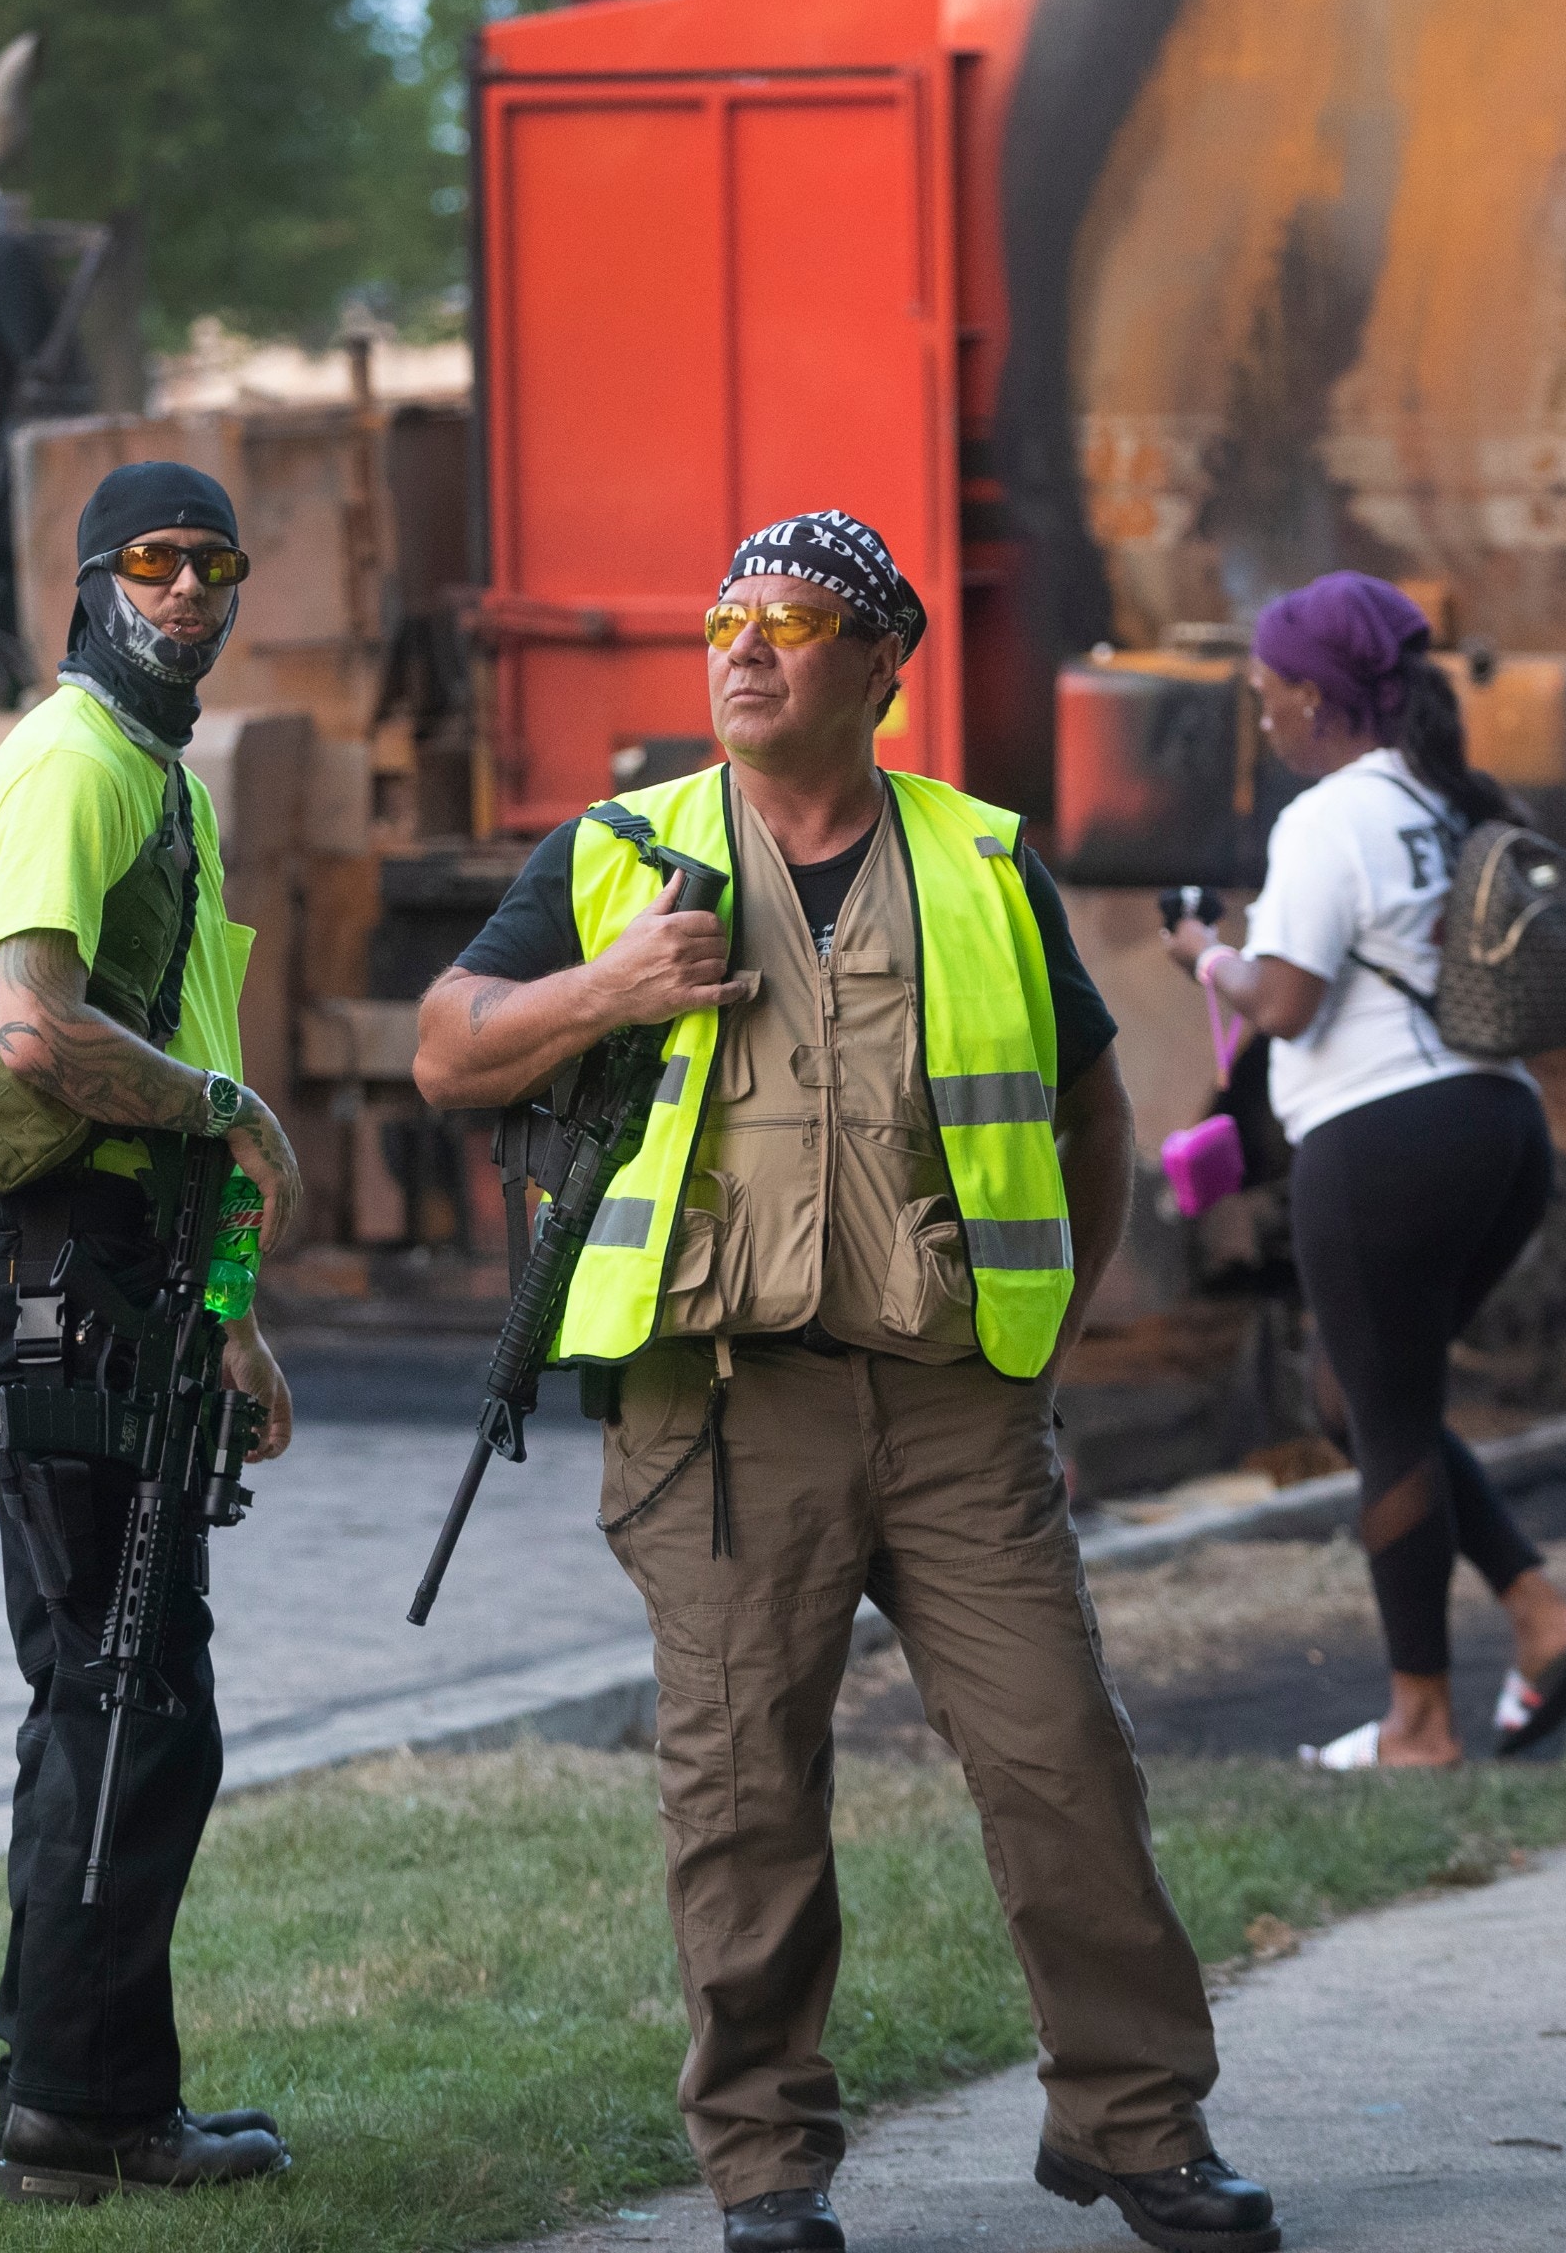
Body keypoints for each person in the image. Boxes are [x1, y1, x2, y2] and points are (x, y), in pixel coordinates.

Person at [417, 511, 1278, 2253]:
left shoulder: (980, 863)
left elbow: (1088, 1111)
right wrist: (608, 985)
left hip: (956, 1411)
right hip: (721, 1413)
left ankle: (1135, 2128)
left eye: (791, 616)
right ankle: (767, 2167)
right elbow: (446, 1050)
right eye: (723, 611)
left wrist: (1042, 1326)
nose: (742, 644)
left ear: (883, 661)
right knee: (743, 1799)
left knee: (1064, 1769)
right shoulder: (616, 854)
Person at [0, 459, 306, 2206]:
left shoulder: (157, 774)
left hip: (135, 1280)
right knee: (120, 1697)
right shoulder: (75, 764)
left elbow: (184, 1103)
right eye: (155, 563)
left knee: (133, 1696)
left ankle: (97, 2102)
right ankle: (72, 2113)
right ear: (93, 582)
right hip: (55, 1274)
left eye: (213, 565)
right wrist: (227, 1105)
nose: (187, 593)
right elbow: (36, 1033)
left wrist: (233, 1322)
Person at [1166, 570, 1566, 1770]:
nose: (1262, 716)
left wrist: (1211, 954)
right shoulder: (1444, 798)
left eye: (1268, 694)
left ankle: (1421, 1719)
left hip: (1381, 1146)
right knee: (1360, 1398)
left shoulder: (1325, 818)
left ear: (1315, 698)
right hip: (1502, 1132)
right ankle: (1541, 1616)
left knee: (1390, 1420)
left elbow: (1292, 1004)